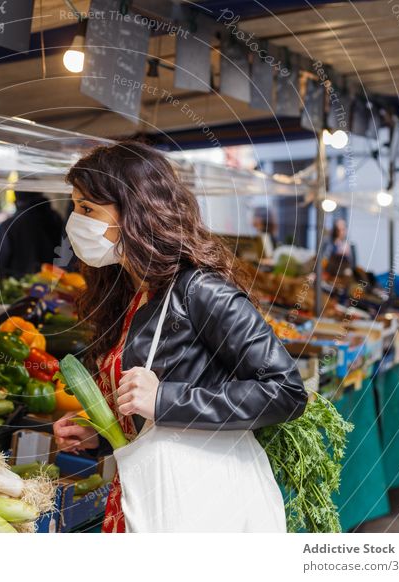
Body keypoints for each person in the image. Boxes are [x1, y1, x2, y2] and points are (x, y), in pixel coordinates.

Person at [52, 142, 307, 533]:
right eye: (75, 207)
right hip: (146, 494)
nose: (75, 221)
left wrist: (165, 399)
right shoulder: (128, 291)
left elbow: (285, 391)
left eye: (87, 208)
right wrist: (101, 432)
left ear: (135, 210)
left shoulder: (200, 290)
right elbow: (147, 417)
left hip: (201, 501)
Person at [0, 191, 63, 279]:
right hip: (55, 285)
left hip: (18, 288)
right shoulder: (56, 220)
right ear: (40, 194)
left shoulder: (9, 225)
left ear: (16, 199)